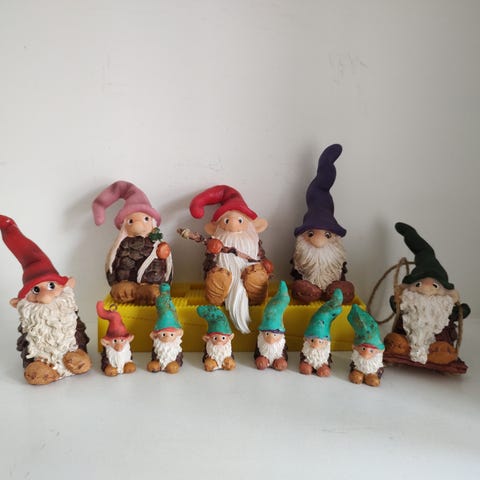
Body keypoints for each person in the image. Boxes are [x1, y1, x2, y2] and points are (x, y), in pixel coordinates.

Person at [0, 215, 91, 385]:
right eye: (36, 290)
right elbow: (26, 346)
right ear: (19, 302)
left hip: (73, 354)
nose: (45, 297)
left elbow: (79, 335)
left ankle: (76, 357)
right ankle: (40, 367)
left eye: (51, 286)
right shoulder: (30, 322)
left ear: (67, 285)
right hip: (40, 361)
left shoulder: (69, 316)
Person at [189, 185, 273, 333]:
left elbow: (262, 259)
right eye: (227, 221)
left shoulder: (253, 242)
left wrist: (265, 268)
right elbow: (208, 264)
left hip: (250, 274)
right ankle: (219, 291)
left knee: (256, 276)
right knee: (217, 278)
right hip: (224, 278)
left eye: (240, 220)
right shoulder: (215, 243)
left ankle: (255, 291)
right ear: (215, 228)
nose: (233, 225)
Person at [291, 144, 354, 304]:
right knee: (301, 288)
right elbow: (296, 272)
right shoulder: (301, 258)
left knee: (343, 290)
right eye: (311, 234)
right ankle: (308, 291)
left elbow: (342, 269)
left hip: (334, 289)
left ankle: (335, 291)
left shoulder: (337, 256)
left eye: (327, 234)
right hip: (305, 290)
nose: (318, 241)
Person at [92, 180, 172, 305]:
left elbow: (167, 267)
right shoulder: (121, 245)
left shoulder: (158, 244)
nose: (138, 225)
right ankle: (126, 287)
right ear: (125, 224)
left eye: (146, 219)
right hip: (125, 283)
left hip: (151, 285)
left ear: (152, 222)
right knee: (122, 290)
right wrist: (115, 282)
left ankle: (149, 288)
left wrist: (163, 284)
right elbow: (113, 263)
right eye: (131, 221)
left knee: (152, 292)